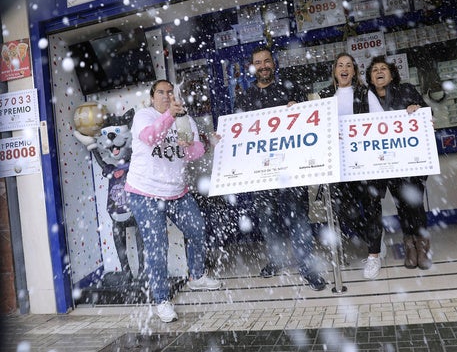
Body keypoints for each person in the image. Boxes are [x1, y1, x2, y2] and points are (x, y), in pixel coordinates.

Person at [125, 79, 221, 323]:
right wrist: (169, 115)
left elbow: (195, 152)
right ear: (152, 96)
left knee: (196, 229)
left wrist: (193, 145)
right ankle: (161, 300)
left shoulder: (184, 119)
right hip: (144, 192)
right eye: (161, 92)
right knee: (157, 248)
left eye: (170, 92)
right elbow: (150, 138)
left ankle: (196, 276)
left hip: (176, 191)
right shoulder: (143, 116)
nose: (166, 95)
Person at [235, 45, 327, 291]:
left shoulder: (291, 88)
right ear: (252, 67)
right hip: (262, 174)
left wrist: (299, 109)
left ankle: (307, 266)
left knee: (299, 219)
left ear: (273, 64)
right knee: (267, 221)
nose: (264, 65)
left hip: (292, 170)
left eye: (267, 61)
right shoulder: (245, 98)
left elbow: (309, 122)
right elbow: (238, 135)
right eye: (259, 62)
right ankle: (276, 261)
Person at [318, 52, 387, 280]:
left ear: (354, 71)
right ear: (335, 70)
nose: (344, 69)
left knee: (372, 207)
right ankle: (373, 238)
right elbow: (315, 127)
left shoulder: (364, 93)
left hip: (365, 163)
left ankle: (374, 255)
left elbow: (381, 121)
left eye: (349, 65)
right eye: (340, 65)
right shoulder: (324, 96)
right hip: (339, 165)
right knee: (346, 213)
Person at [364, 55, 432, 270]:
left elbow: (427, 115)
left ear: (392, 74)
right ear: (371, 78)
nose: (379, 72)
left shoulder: (407, 90)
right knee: (401, 206)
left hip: (410, 161)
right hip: (386, 164)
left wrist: (416, 108)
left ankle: (422, 248)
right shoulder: (366, 99)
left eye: (383, 68)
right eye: (374, 70)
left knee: (416, 204)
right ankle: (409, 245)